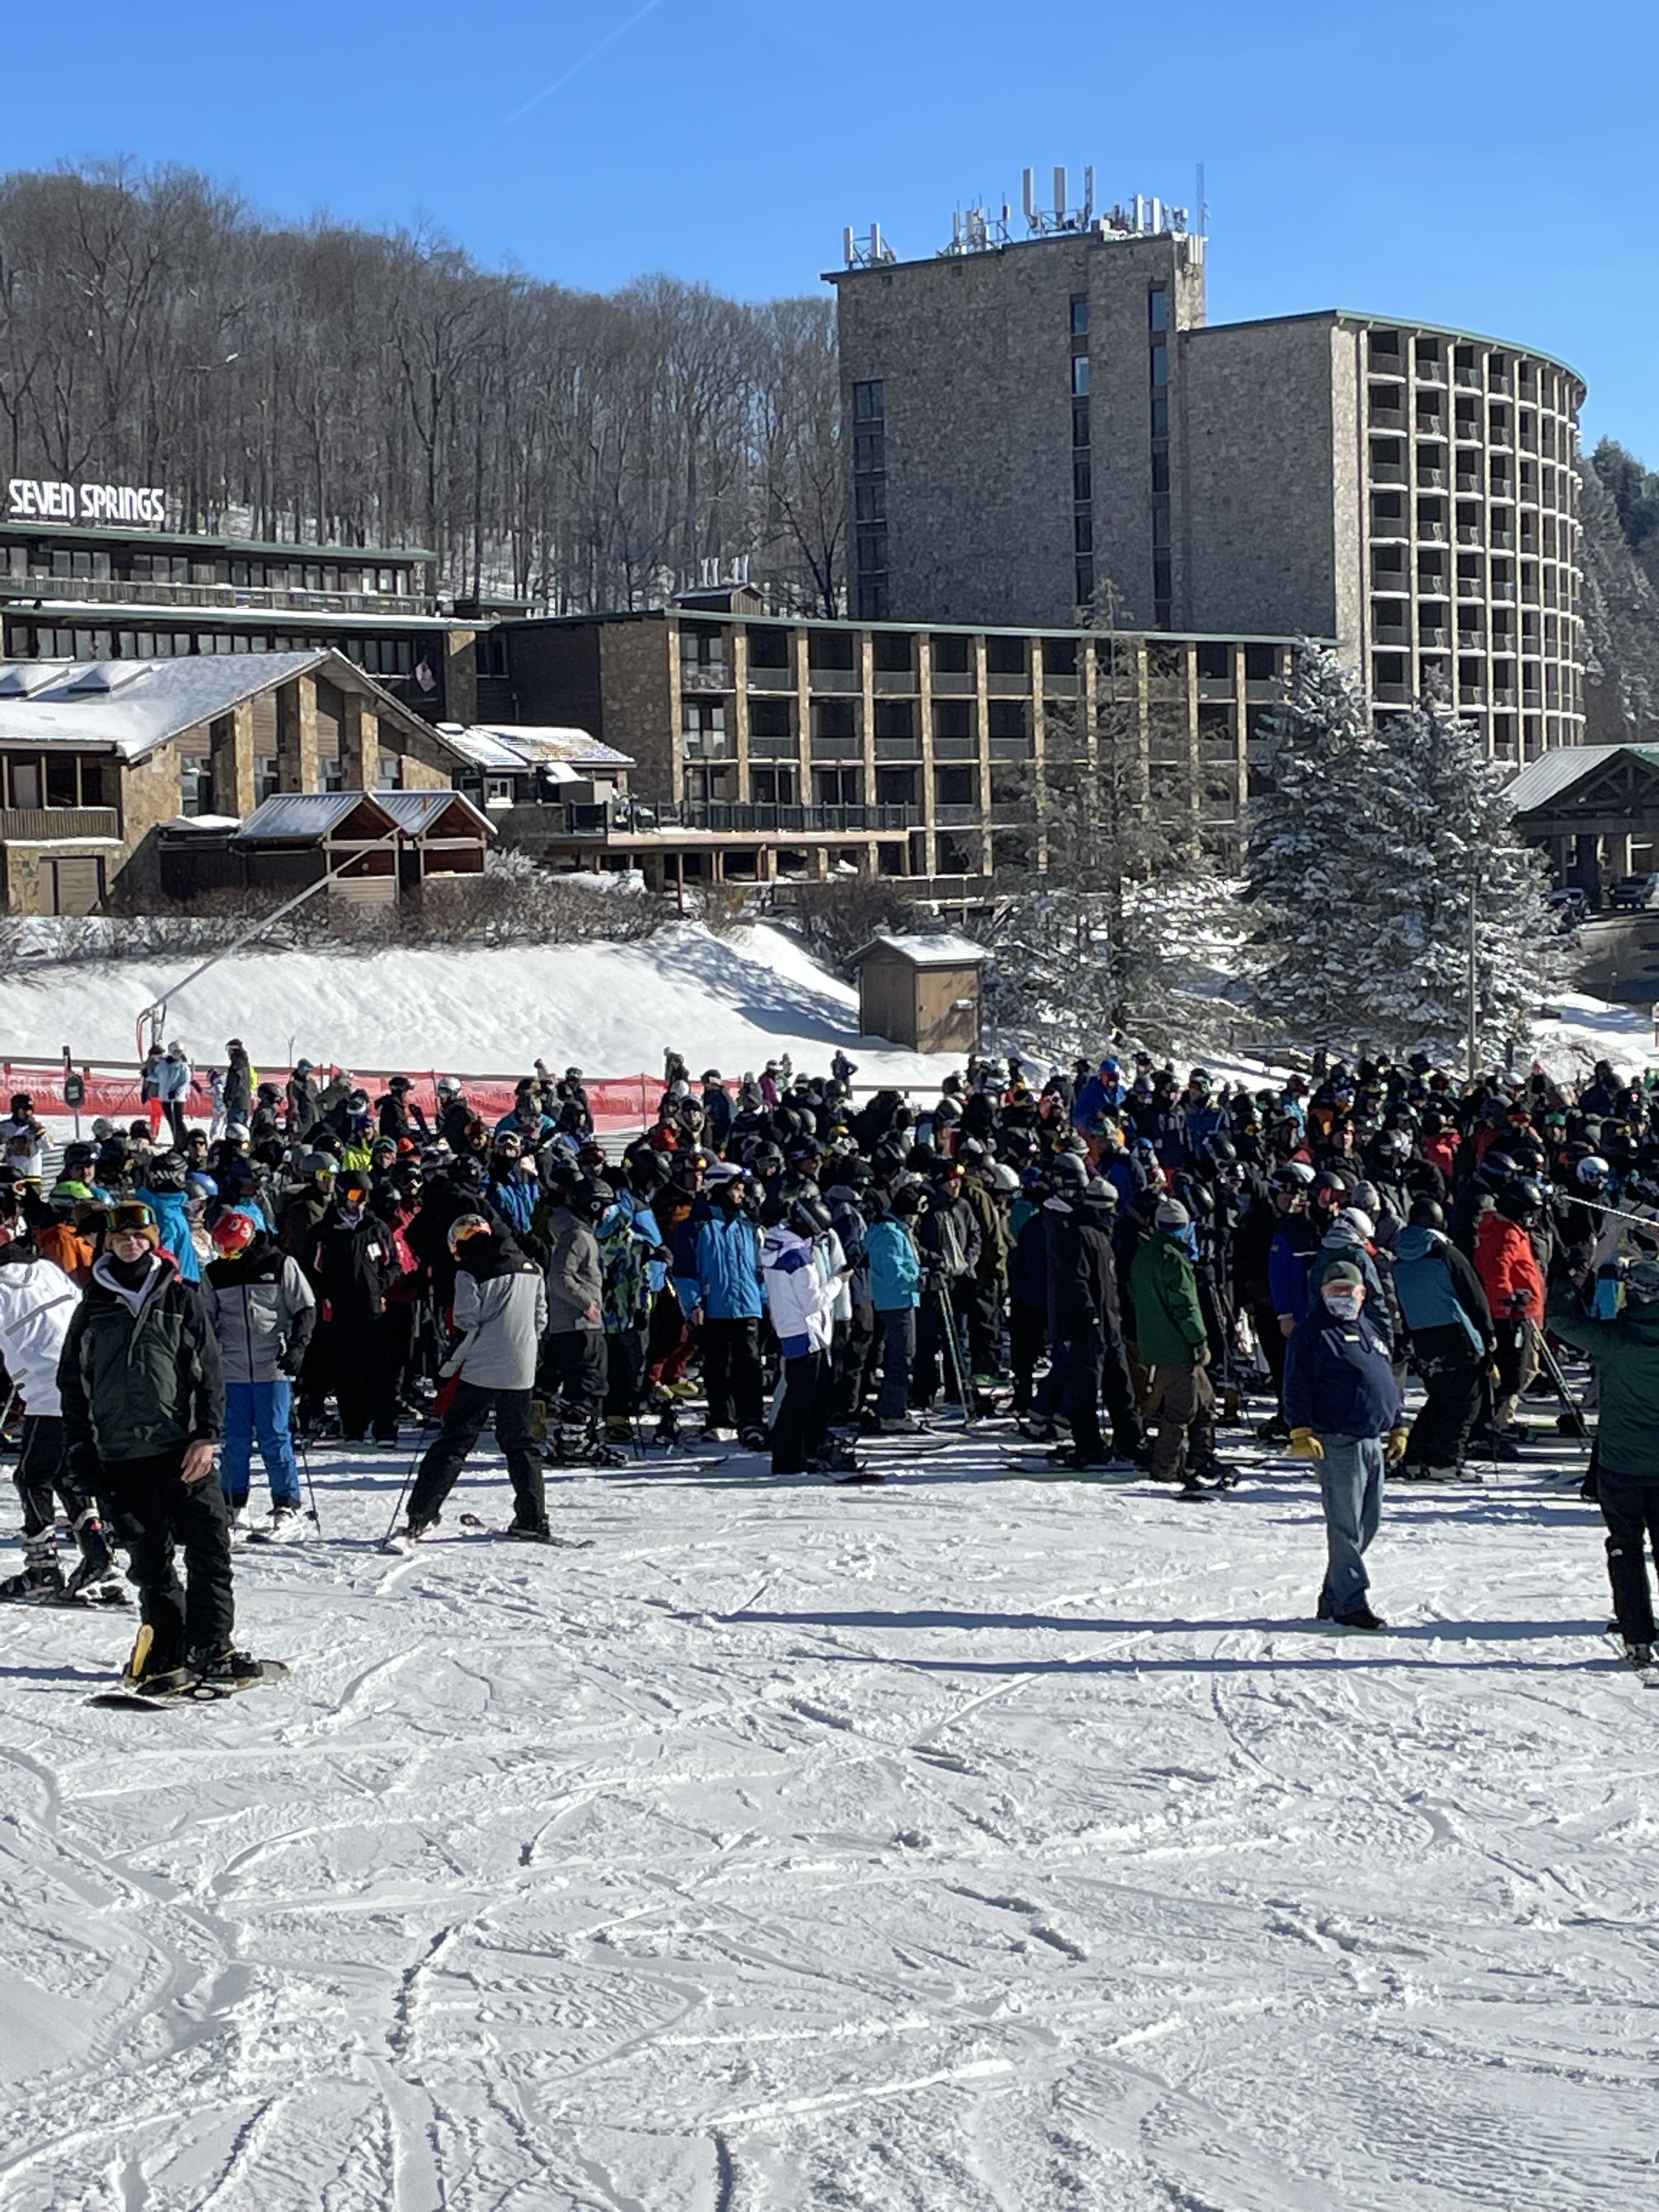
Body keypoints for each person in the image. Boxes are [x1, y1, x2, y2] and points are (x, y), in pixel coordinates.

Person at [57, 1199, 252, 1691]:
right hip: (121, 1457)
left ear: (152, 1242)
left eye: (138, 1237)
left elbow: (209, 1373)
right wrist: (82, 1452)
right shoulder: (91, 1308)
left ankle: (212, 1647)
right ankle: (166, 1653)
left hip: (183, 1451)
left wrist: (207, 1435)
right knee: (150, 1563)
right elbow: (74, 1388)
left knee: (211, 1548)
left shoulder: (181, 1297)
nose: (130, 1245)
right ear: (108, 1244)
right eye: (120, 1238)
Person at [397, 1215, 551, 1543]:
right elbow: (540, 1321)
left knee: (454, 1441)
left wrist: (446, 1371)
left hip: (482, 1368)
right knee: (520, 1443)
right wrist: (530, 1357)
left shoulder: (470, 1272)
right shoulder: (532, 1268)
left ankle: (421, 1515)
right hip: (521, 1368)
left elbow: (467, 1328)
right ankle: (533, 1517)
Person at [0, 1191, 117, 1600]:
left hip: (50, 1392)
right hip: (88, 1380)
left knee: (32, 1477)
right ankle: (97, 1553)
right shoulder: (46, 1269)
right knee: (68, 1473)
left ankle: (42, 1571)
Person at [1283, 1260, 1408, 1630]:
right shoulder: (1313, 1333)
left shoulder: (1369, 1329)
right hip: (1337, 1440)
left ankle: (1334, 1596)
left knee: (1368, 1523)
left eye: (1347, 1290)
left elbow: (1385, 1379)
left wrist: (1398, 1425)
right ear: (1322, 1294)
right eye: (1333, 1291)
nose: (1341, 1297)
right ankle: (1351, 1602)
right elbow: (1296, 1383)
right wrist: (1300, 1429)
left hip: (1372, 1440)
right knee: (1345, 1527)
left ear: (1362, 1293)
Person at [1548, 1257, 1659, 1664]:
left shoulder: (1616, 1339)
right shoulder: (1619, 1337)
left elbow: (1561, 1320)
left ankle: (1637, 1635)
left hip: (1621, 1463)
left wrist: (1569, 1277)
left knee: (1625, 1546)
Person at [200, 1209, 317, 1540]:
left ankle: (286, 1503)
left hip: (272, 1365)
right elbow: (205, 1320)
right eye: (222, 1250)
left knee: (274, 1436)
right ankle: (234, 1502)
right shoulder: (216, 1273)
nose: (226, 1256)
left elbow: (305, 1307)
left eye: (232, 1250)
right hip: (232, 1367)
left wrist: (298, 1347)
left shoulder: (280, 1265)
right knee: (235, 1439)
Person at [1391, 1196, 1493, 1481]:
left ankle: (1416, 1456)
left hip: (1422, 1335)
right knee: (1466, 1398)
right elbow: (1473, 1293)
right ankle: (1445, 1460)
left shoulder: (1400, 1258)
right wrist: (1487, 1332)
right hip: (1456, 1333)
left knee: (1440, 1396)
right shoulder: (1446, 1252)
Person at [1128, 1199, 1217, 1492]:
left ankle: (1201, 1456)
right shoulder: (1175, 1258)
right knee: (1182, 1410)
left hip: (1156, 1343)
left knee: (1205, 1400)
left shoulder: (1144, 1254)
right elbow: (1186, 1306)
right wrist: (1199, 1340)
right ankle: (1166, 1467)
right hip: (1180, 1346)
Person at [683, 1164, 766, 1445]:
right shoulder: (698, 1226)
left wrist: (765, 1300)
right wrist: (694, 1304)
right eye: (736, 1189)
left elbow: (760, 1268)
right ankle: (722, 1418)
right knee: (717, 1366)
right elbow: (686, 1271)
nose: (741, 1195)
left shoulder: (749, 1226)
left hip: (748, 1307)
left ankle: (751, 1418)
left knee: (750, 1365)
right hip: (714, 1308)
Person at [760, 1193, 839, 1475]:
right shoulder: (798, 1257)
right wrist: (838, 1282)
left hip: (790, 1329)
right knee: (800, 1400)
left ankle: (806, 1449)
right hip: (806, 1334)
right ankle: (789, 1458)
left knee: (808, 1396)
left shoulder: (778, 1248)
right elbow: (813, 1302)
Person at [541, 1173, 611, 1459]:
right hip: (577, 1325)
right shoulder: (577, 1237)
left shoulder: (582, 1235)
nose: (608, 1213)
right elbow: (559, 1277)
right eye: (605, 1206)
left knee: (593, 1383)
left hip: (583, 1325)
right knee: (586, 1383)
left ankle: (586, 1439)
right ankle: (573, 1442)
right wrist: (586, 1303)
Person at [866, 1186, 924, 1431]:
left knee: (900, 1355)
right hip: (896, 1301)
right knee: (903, 1356)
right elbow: (894, 1273)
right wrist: (919, 1282)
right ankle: (892, 1411)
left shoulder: (895, 1231)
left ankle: (894, 1405)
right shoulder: (890, 1234)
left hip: (898, 1300)